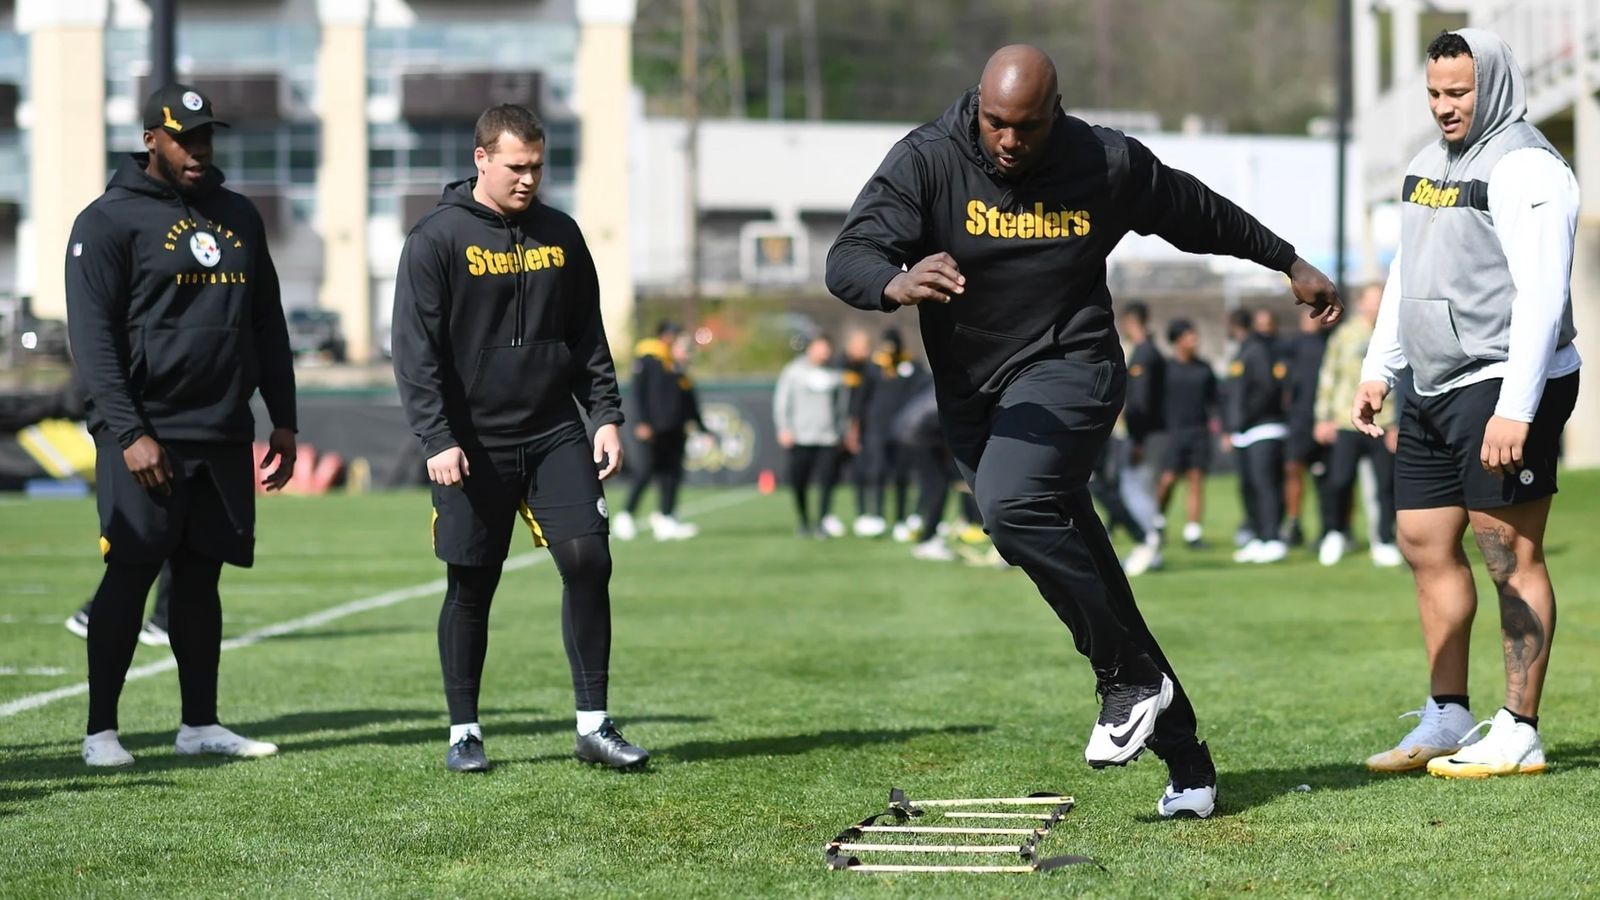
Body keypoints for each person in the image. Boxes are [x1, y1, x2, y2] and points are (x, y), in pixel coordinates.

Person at [825, 44, 1340, 819]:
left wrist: (1288, 261)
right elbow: (849, 254)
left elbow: (1196, 212)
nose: (1007, 140)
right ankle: (1185, 756)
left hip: (1073, 368)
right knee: (1085, 568)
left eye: (1025, 127)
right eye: (995, 123)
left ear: (1054, 113)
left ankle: (1128, 683)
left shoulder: (1103, 162)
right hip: (975, 395)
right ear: (977, 108)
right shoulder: (930, 158)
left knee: (1010, 506)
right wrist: (894, 283)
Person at [392, 104, 648, 774]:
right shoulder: (435, 239)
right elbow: (414, 353)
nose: (528, 179)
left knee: (590, 561)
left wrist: (606, 414)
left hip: (554, 430)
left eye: (537, 166)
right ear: (481, 159)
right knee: (472, 585)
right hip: (472, 444)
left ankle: (593, 725)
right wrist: (436, 438)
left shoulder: (561, 234)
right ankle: (464, 732)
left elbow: (587, 335)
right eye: (516, 166)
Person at [1355, 30, 1580, 778]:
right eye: (1435, 93)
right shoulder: (1425, 165)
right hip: (1427, 382)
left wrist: (1515, 408)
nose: (1444, 107)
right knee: (1422, 541)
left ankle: (1519, 727)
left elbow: (1544, 298)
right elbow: (1404, 274)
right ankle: (1447, 715)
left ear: (1495, 86)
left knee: (1506, 551)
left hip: (1504, 380)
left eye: (1459, 92)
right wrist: (1378, 369)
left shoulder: (1529, 167)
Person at [65, 83, 298, 767]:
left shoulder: (238, 216)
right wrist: (130, 432)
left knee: (201, 579)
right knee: (130, 573)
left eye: (205, 137)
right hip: (145, 432)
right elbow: (94, 340)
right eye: (183, 138)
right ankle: (100, 731)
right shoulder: (106, 222)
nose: (198, 150)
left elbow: (266, 323)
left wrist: (282, 420)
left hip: (221, 429)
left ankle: (200, 723)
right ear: (150, 141)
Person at [1313, 285, 1401, 567]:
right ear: (1361, 304)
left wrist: (1398, 422)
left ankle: (1384, 540)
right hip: (1345, 420)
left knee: (1385, 485)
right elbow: (1330, 375)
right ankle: (1336, 533)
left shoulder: (1395, 334)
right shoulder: (1345, 335)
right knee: (1339, 481)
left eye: (1380, 301)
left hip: (1383, 423)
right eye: (1370, 301)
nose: (1375, 307)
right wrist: (1323, 417)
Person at [616, 320, 703, 542]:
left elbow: (687, 401)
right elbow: (637, 393)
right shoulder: (648, 359)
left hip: (673, 430)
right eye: (672, 334)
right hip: (651, 428)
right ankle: (625, 516)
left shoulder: (675, 365)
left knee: (670, 473)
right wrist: (642, 422)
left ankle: (666, 517)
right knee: (645, 471)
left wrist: (700, 426)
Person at [1224, 308, 1290, 564]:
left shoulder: (1257, 350)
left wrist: (1244, 418)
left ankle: (1273, 537)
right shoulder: (1241, 351)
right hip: (1244, 432)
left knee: (1266, 484)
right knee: (1248, 486)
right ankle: (1259, 536)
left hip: (1263, 427)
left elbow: (1265, 389)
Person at [773, 334, 847, 538]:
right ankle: (804, 520)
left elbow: (841, 406)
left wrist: (842, 432)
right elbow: (782, 401)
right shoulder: (794, 371)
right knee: (799, 481)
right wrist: (784, 428)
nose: (825, 352)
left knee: (827, 482)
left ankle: (822, 521)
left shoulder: (834, 374)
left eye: (827, 348)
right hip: (801, 437)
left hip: (827, 438)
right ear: (810, 348)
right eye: (821, 348)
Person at [1155, 319, 1219, 549]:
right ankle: (1157, 520)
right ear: (1178, 341)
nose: (1195, 341)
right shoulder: (1165, 369)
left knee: (1195, 480)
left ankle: (1193, 533)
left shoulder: (1204, 368)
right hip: (1173, 433)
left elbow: (1215, 400)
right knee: (1168, 479)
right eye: (1189, 337)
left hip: (1198, 432)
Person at [855, 328, 921, 538]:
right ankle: (877, 516)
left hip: (903, 429)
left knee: (902, 475)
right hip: (877, 429)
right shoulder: (873, 368)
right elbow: (860, 399)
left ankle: (901, 518)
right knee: (877, 473)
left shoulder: (911, 366)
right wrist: (856, 427)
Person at [1117, 301, 1165, 574]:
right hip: (1151, 433)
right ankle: (1151, 548)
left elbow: (1142, 402)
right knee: (1142, 491)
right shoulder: (1150, 352)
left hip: (1145, 434)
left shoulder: (1144, 355)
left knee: (1136, 491)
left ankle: (1148, 545)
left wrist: (1137, 439)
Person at [1283, 310, 1330, 548]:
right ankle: (1293, 523)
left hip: (1325, 419)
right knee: (1294, 469)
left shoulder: (1331, 342)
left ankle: (1330, 527)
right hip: (1299, 420)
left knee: (1327, 476)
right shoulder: (1291, 345)